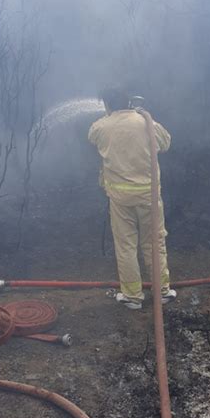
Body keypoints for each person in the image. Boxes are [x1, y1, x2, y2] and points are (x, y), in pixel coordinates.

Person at [88, 87, 176, 310]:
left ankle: (132, 296)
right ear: (129, 102)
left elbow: (92, 138)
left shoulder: (100, 126)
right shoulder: (145, 122)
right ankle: (162, 292)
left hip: (119, 199)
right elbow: (165, 143)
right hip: (148, 197)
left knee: (126, 246)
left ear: (107, 104)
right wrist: (145, 117)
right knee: (154, 243)